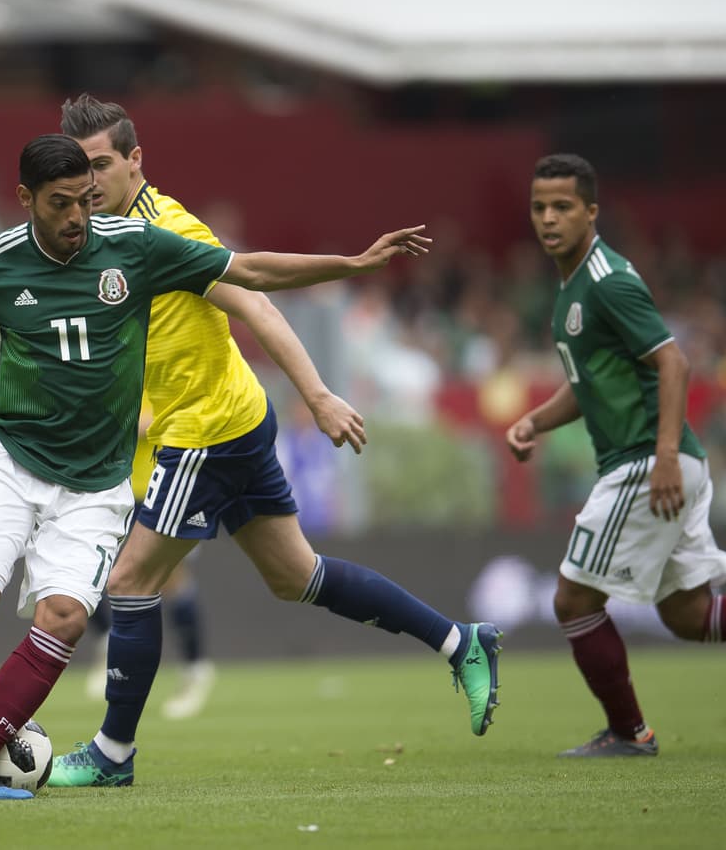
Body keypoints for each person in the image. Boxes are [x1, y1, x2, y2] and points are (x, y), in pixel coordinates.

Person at [0, 132, 432, 801]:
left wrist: (353, 262)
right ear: (26, 200)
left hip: (94, 482)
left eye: (84, 200)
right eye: (61, 204)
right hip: (12, 461)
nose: (78, 216)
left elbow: (249, 272)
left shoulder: (133, 246)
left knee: (64, 618)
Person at [46, 95, 502, 789]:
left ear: (137, 160)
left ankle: (112, 752)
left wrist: (317, 393)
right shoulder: (96, 234)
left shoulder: (167, 229)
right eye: (80, 168)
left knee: (131, 581)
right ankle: (458, 640)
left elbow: (254, 293)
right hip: (233, 417)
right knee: (297, 575)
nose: (90, 180)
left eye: (103, 164)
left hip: (205, 431)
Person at [507, 153, 726, 757]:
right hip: (662, 460)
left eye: (563, 207)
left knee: (574, 600)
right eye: (539, 207)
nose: (548, 219)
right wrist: (535, 420)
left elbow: (673, 361)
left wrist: (664, 456)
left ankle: (630, 734)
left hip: (645, 463)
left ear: (591, 212)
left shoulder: (607, 280)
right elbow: (588, 387)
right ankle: (629, 731)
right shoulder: (571, 285)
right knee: (686, 613)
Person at [84, 401, 215, 720]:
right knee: (86, 568)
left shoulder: (165, 369)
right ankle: (107, 645)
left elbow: (170, 421)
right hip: (112, 488)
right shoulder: (117, 365)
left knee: (169, 580)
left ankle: (194, 669)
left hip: (163, 488)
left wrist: (128, 424)